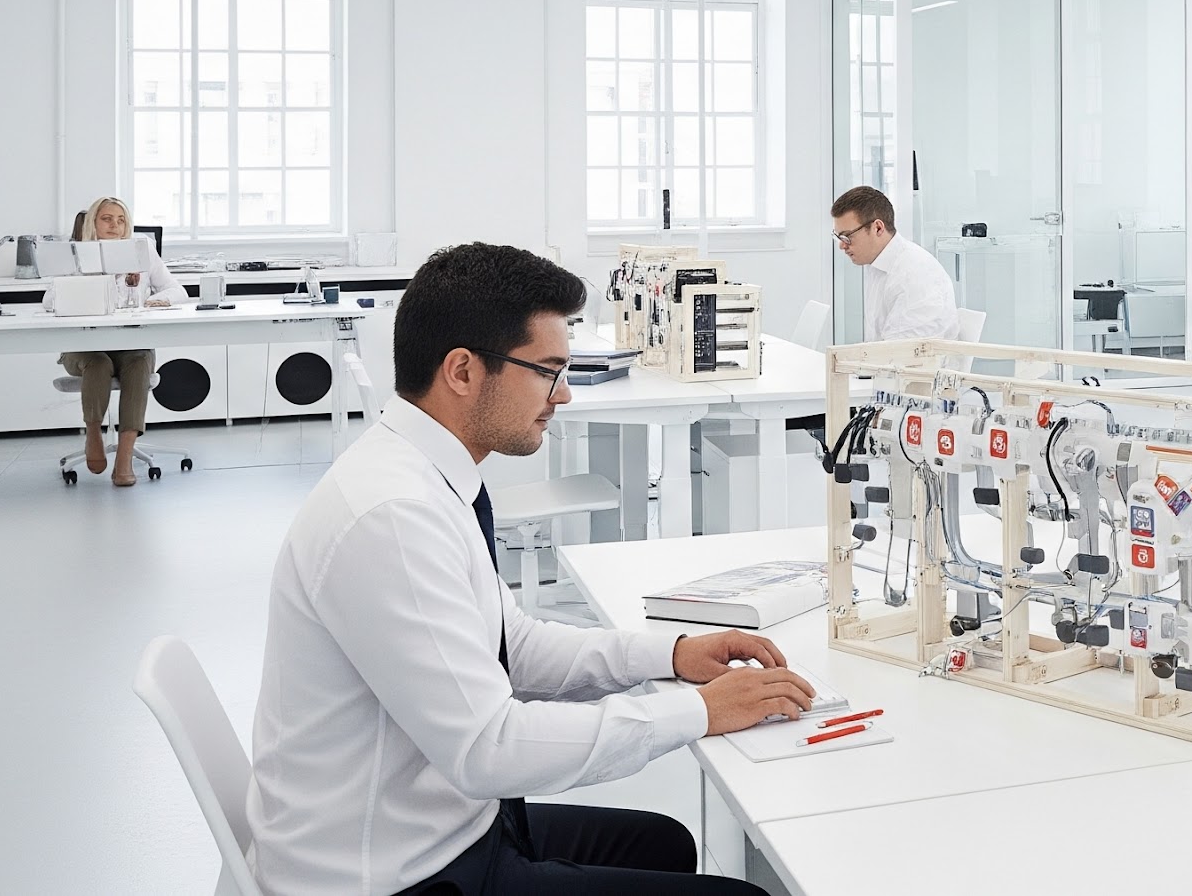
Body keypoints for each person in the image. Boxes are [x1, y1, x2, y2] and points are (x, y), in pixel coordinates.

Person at [249, 243, 812, 895]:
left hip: (443, 820)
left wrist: (674, 655)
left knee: (665, 843)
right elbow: (488, 750)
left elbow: (510, 647)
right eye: (547, 371)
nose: (565, 394)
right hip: (394, 874)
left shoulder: (428, 475)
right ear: (462, 371)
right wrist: (700, 713)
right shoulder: (392, 515)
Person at [60, 195, 184, 486]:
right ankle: (93, 434)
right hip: (85, 346)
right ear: (93, 222)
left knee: (141, 360)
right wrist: (81, 290)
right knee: (99, 363)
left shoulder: (142, 252)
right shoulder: (77, 253)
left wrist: (158, 300)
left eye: (121, 219)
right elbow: (50, 298)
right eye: (106, 219)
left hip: (130, 344)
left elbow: (177, 289)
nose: (115, 225)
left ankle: (124, 457)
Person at [832, 185, 959, 341]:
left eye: (847, 237)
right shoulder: (879, 264)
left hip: (911, 363)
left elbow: (901, 356)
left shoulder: (913, 276)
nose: (842, 245)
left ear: (878, 228)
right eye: (839, 238)